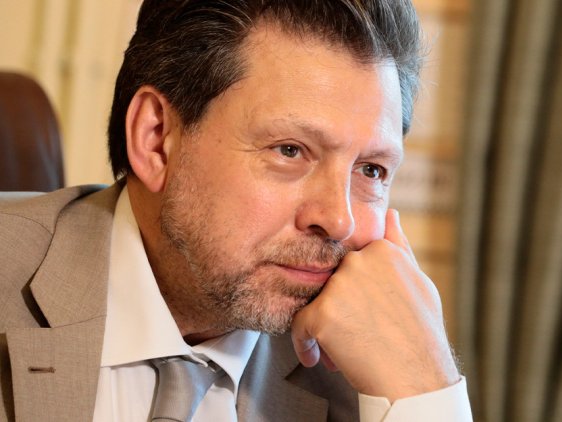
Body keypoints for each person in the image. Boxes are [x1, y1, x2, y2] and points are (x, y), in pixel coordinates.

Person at [0, 0, 472, 420]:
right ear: (156, 140)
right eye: (290, 150)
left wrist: (424, 395)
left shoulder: (379, 381)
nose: (338, 220)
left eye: (370, 170)